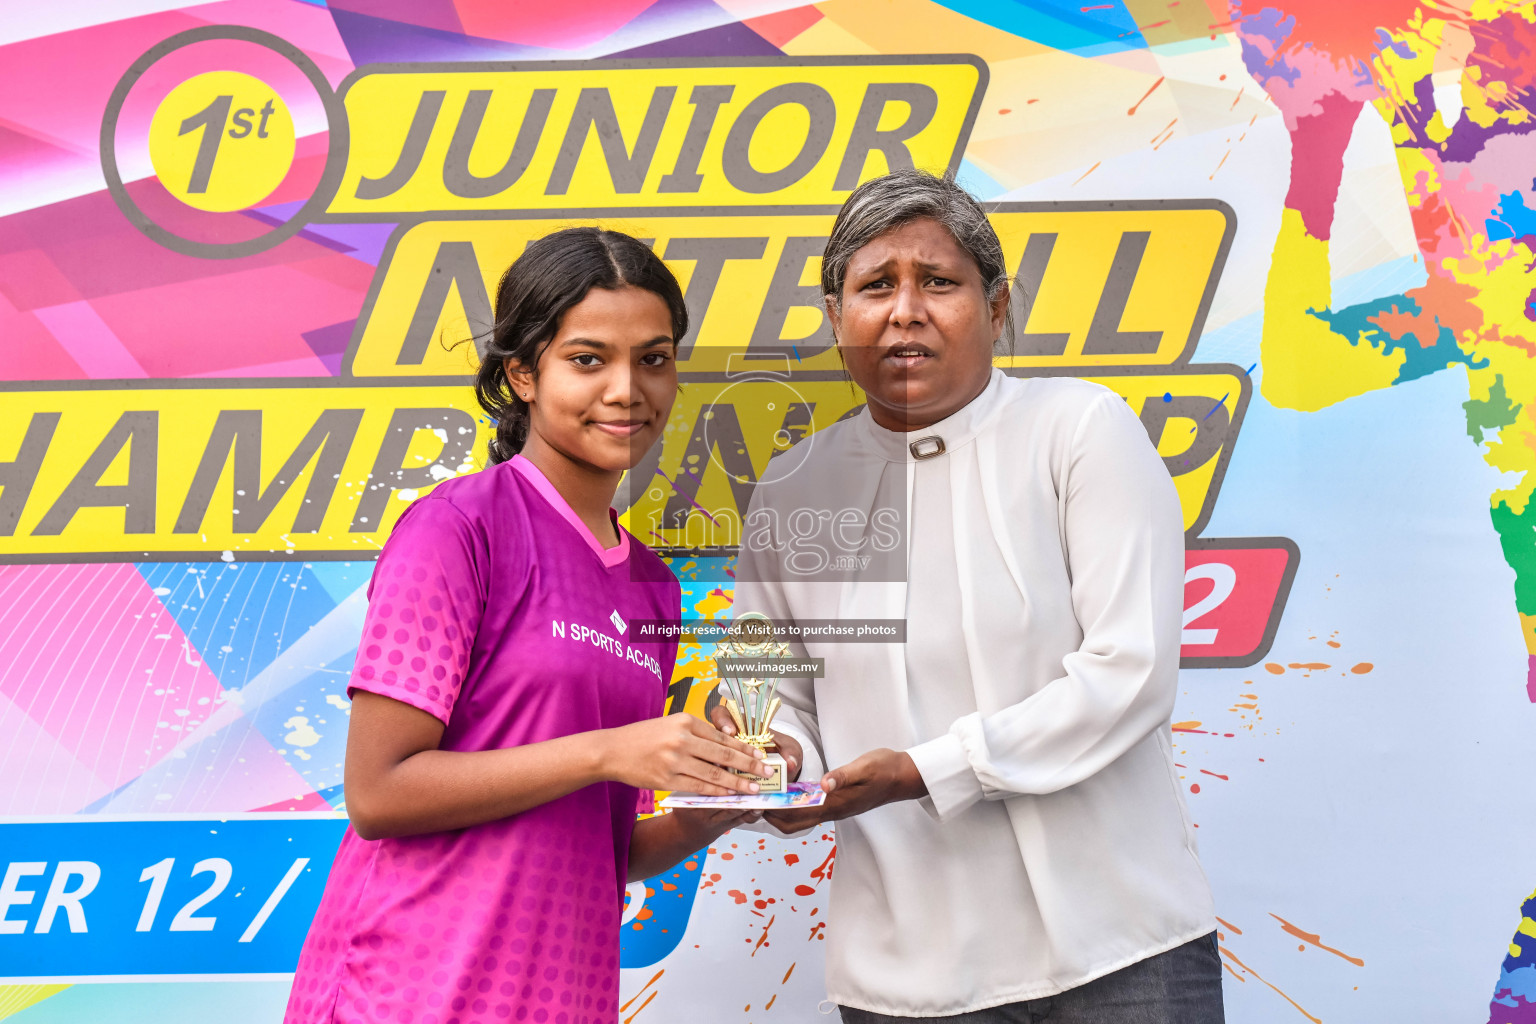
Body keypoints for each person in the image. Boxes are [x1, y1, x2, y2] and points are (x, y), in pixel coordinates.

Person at [712, 171, 1225, 1022]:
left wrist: (924, 768)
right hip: (908, 975)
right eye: (875, 286)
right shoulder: (794, 488)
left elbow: (1129, 672)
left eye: (938, 283)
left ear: (995, 309)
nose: (905, 310)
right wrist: (774, 758)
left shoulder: (1078, 430)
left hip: (1121, 949)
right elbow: (766, 685)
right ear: (837, 319)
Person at [285, 227, 770, 1024]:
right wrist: (611, 750)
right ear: (523, 374)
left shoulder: (651, 585)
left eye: (653, 359)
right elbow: (379, 792)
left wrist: (725, 798)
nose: (626, 389)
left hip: (560, 997)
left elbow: (604, 848)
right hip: (411, 991)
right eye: (588, 359)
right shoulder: (457, 529)